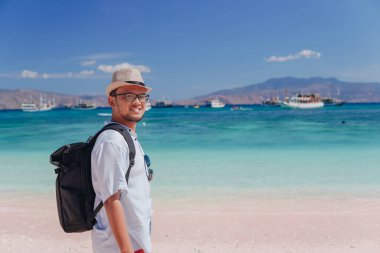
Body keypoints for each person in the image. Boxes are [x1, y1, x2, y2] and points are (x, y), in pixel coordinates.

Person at [91, 68, 152, 253]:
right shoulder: (112, 141)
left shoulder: (127, 137)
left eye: (142, 97)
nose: (137, 102)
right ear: (112, 100)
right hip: (120, 248)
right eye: (128, 96)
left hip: (135, 243)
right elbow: (112, 201)